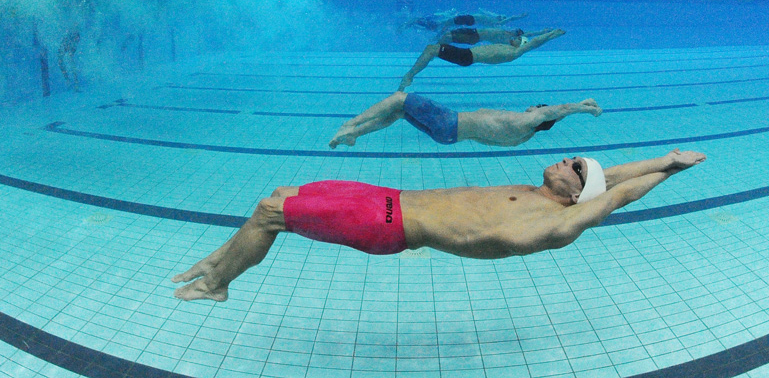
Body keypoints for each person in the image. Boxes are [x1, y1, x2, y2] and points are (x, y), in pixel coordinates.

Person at [172, 149, 706, 302]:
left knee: (271, 215)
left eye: (576, 169)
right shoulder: (545, 192)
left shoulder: (557, 222)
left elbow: (614, 193)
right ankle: (220, 261)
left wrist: (668, 174)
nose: (571, 161)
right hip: (387, 198)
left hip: (387, 223)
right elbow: (609, 176)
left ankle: (218, 282)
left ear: (575, 196)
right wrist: (663, 154)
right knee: (283, 196)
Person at [329, 93, 602, 148]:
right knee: (400, 114)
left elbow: (560, 109)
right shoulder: (520, 137)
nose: (532, 105)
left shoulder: (528, 119)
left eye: (537, 106)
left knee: (400, 99)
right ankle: (357, 135)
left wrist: (586, 108)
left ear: (539, 112)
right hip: (448, 137)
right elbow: (553, 118)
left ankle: (350, 125)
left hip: (449, 122)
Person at [398, 28, 566, 90]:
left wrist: (550, 35)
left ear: (520, 44)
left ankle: (409, 76)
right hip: (466, 55)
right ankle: (414, 72)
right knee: (432, 49)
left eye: (516, 40)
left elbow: (533, 43)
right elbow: (527, 36)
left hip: (467, 56)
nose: (513, 38)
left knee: (431, 49)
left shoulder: (515, 52)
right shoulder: (508, 46)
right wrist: (539, 31)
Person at [404, 9, 528, 32]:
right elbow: (486, 11)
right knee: (442, 24)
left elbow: (508, 20)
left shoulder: (495, 22)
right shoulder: (492, 18)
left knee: (441, 24)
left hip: (468, 19)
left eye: (502, 17)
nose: (500, 16)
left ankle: (416, 23)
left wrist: (518, 17)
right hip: (467, 19)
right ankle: (416, 23)